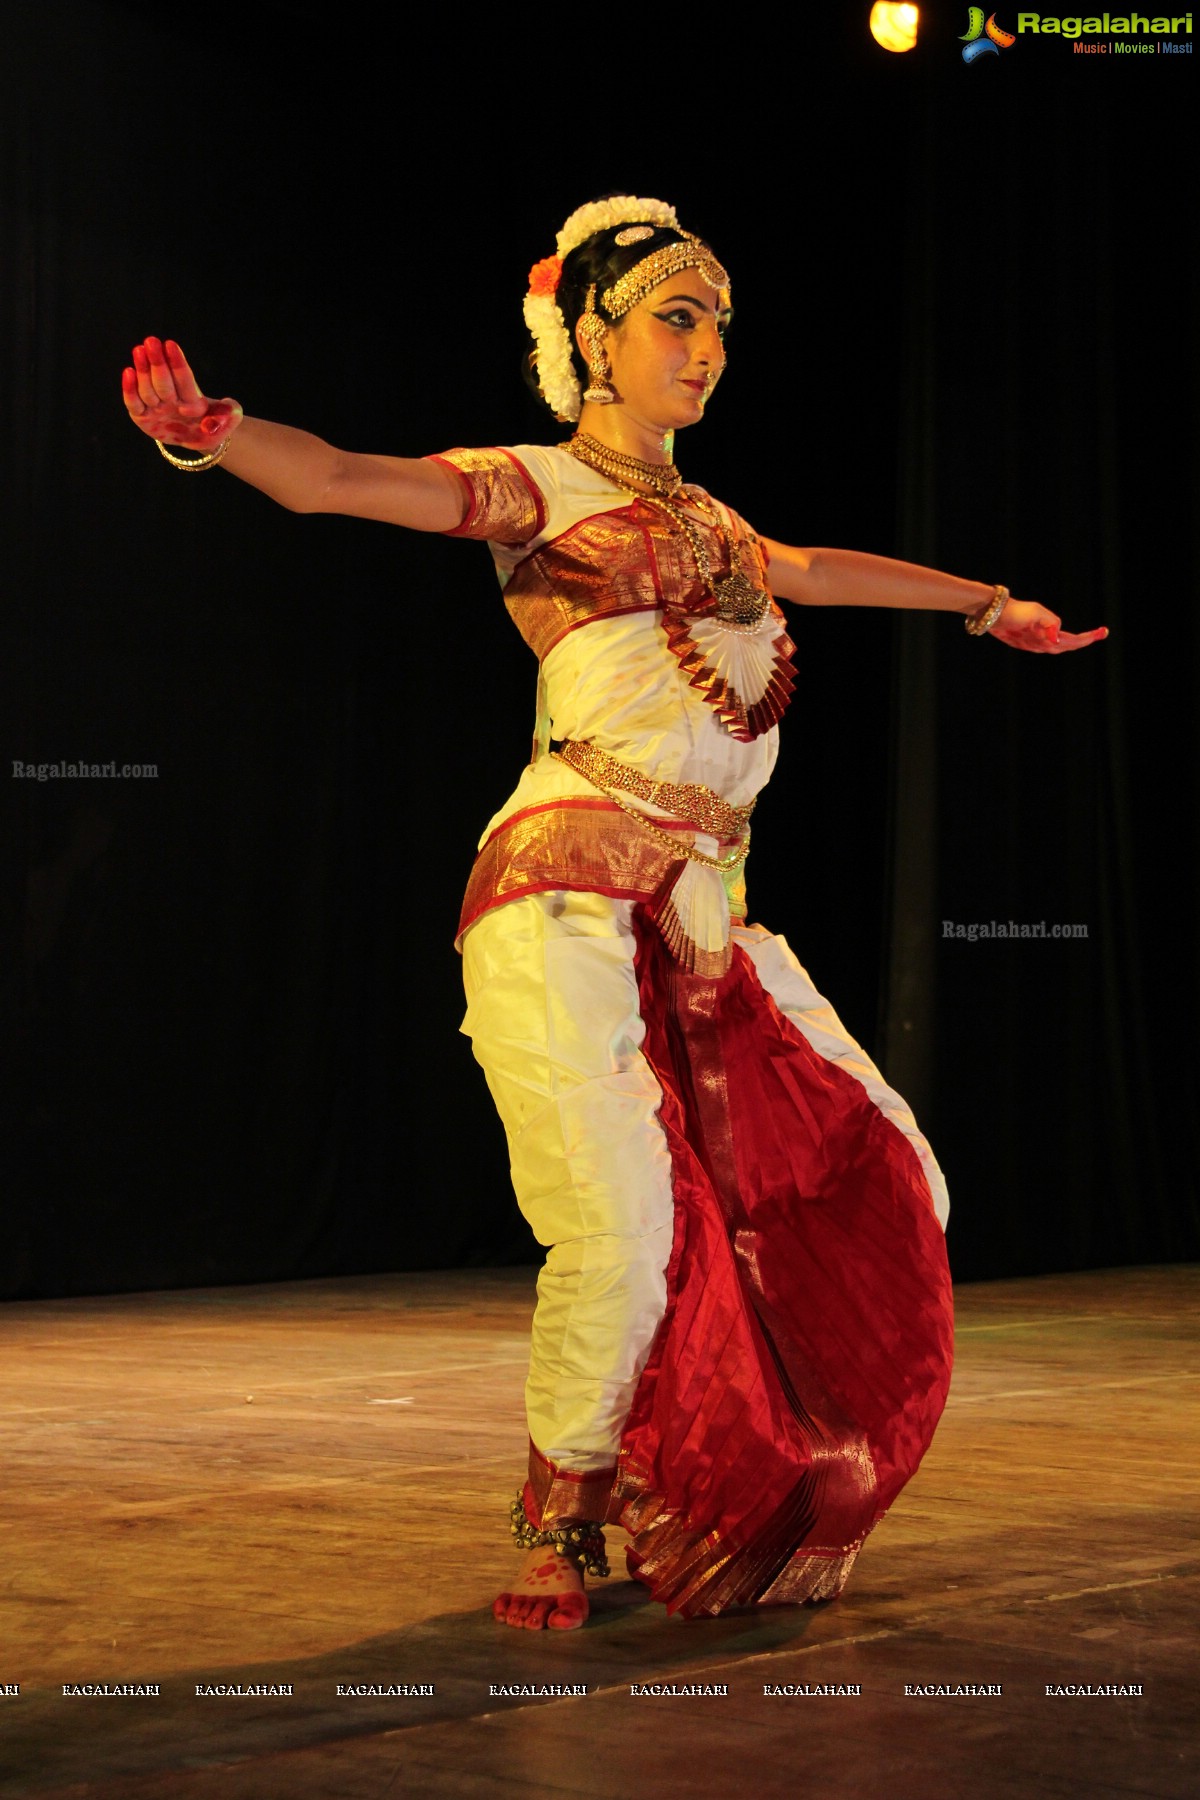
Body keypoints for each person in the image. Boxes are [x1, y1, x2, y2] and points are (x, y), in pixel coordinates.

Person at [122, 194, 1107, 1634]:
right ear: (592, 337)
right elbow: (340, 477)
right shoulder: (538, 488)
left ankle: (704, 1471)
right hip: (566, 889)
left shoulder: (714, 521)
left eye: (717, 326)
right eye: (674, 320)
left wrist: (990, 604)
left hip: (707, 914)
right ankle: (561, 1515)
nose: (705, 352)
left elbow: (820, 574)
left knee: (891, 1175)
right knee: (625, 1226)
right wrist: (214, 433)